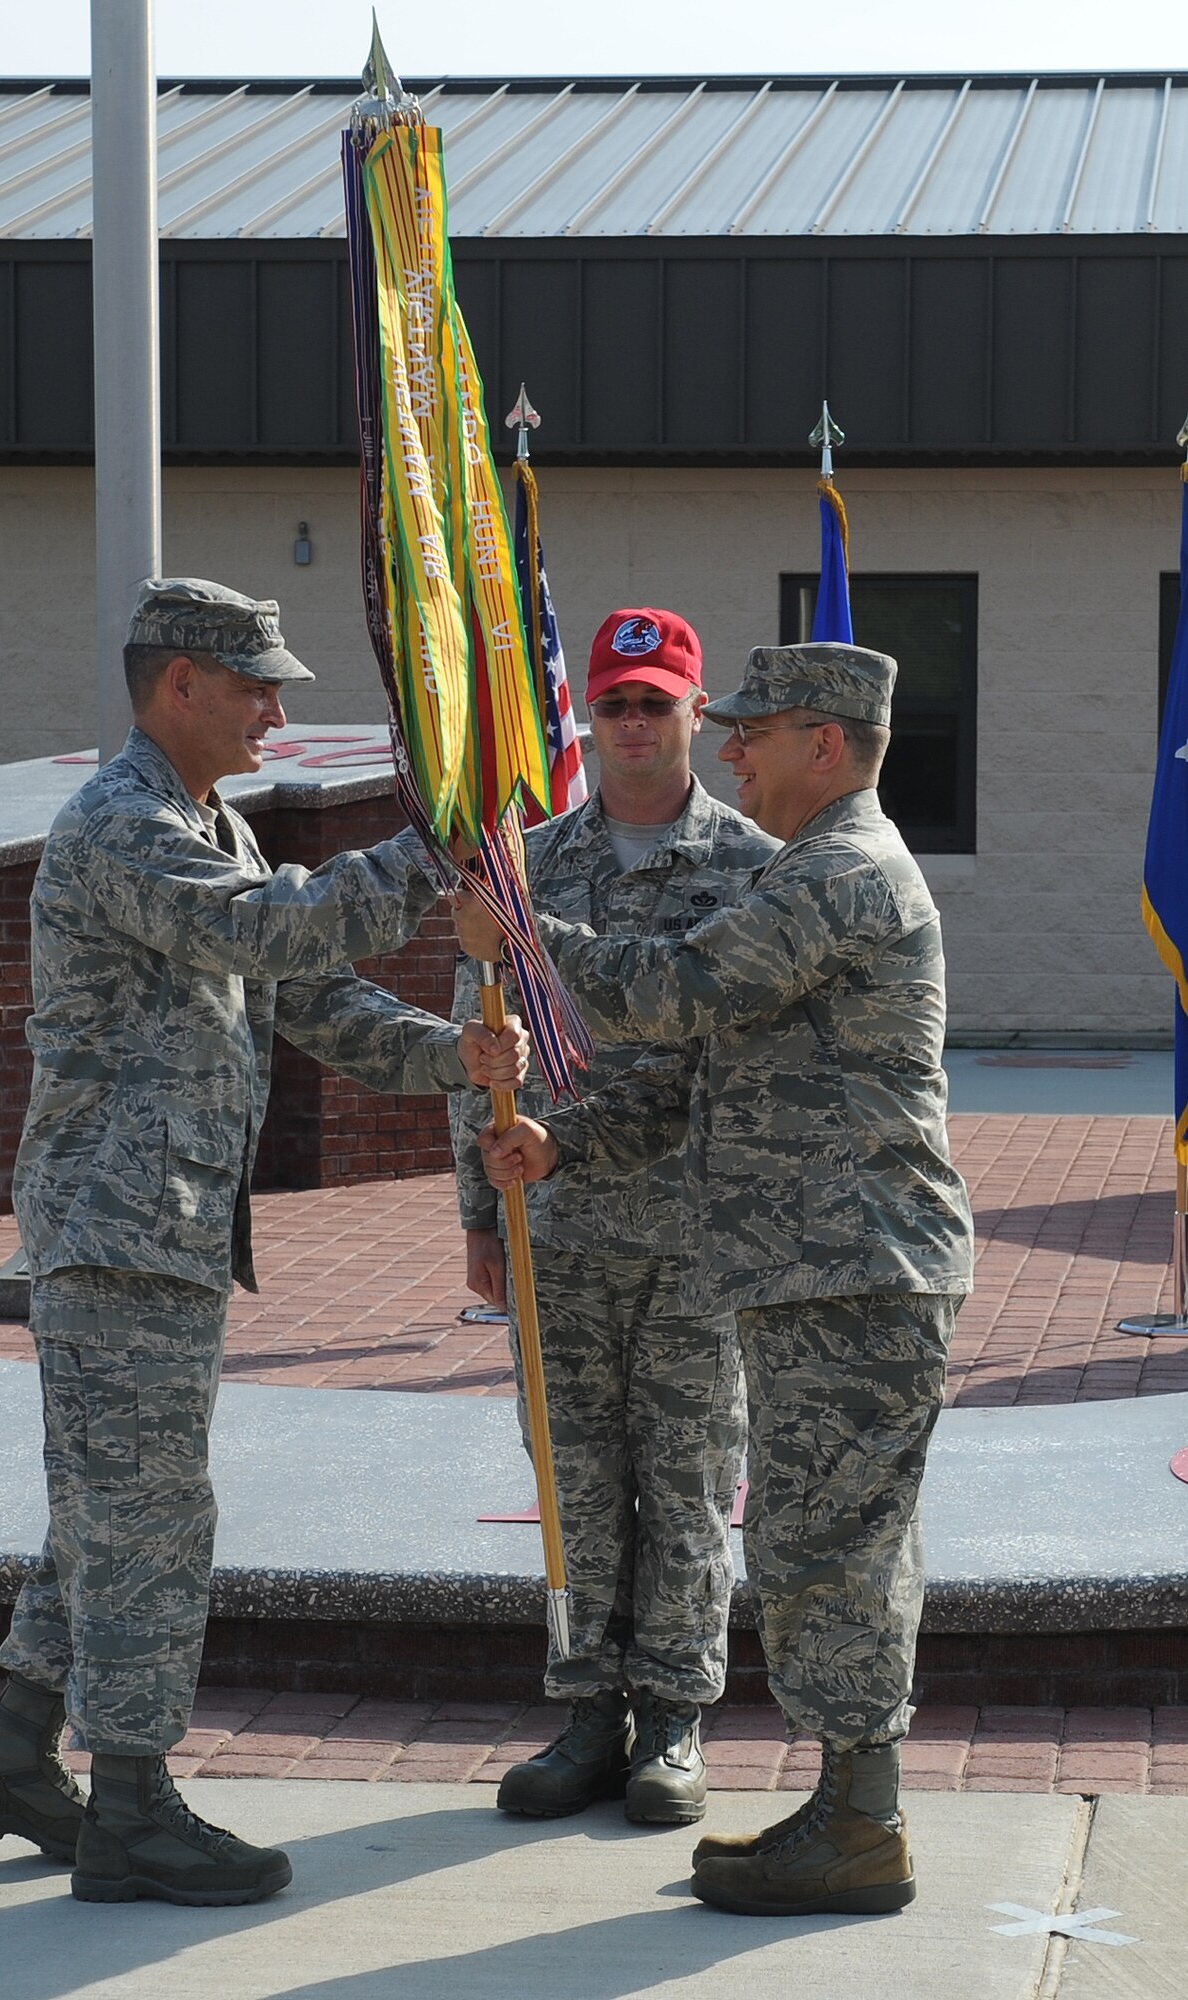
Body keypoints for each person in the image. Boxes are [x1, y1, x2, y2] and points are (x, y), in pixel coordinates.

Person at [0, 578, 527, 1908]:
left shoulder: (211, 828)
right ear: (178, 686)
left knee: (107, 1508)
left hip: (162, 1224)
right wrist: (429, 849)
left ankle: (18, 1755)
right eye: (256, 684)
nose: (276, 707)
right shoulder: (125, 823)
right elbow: (273, 932)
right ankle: (134, 1805)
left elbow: (310, 992)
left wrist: (457, 1056)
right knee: (150, 1516)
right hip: (119, 1225)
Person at [461, 642, 974, 1918]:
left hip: (851, 1266)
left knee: (831, 1549)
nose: (730, 750)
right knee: (818, 1543)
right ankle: (850, 1807)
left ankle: (859, 1824)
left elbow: (670, 989)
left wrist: (521, 929)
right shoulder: (815, 866)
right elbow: (686, 1071)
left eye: (755, 730)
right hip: (818, 1265)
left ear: (829, 742)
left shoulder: (842, 874)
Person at [454, 609, 777, 1825]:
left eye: (657, 703)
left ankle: (676, 1719)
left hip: (692, 1236)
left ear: (697, 714)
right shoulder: (525, 865)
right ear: (585, 718)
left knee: (688, 1477)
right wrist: (477, 1202)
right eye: (615, 704)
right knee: (573, 1479)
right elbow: (478, 1043)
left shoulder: (750, 866)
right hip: (555, 1233)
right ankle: (588, 1707)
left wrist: (560, 1137)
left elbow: (708, 1060)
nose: (634, 724)